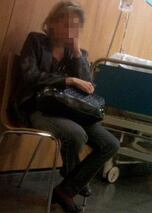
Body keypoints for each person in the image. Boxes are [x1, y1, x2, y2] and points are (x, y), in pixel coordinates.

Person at [13, 2, 119, 212]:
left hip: (71, 111)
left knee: (111, 144)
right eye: (66, 22)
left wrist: (78, 52)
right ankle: (73, 184)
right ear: (52, 22)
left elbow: (88, 87)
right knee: (77, 134)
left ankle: (66, 188)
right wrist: (67, 81)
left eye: (76, 26)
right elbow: (28, 76)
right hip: (38, 107)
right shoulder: (36, 41)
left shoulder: (77, 53)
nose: (71, 30)